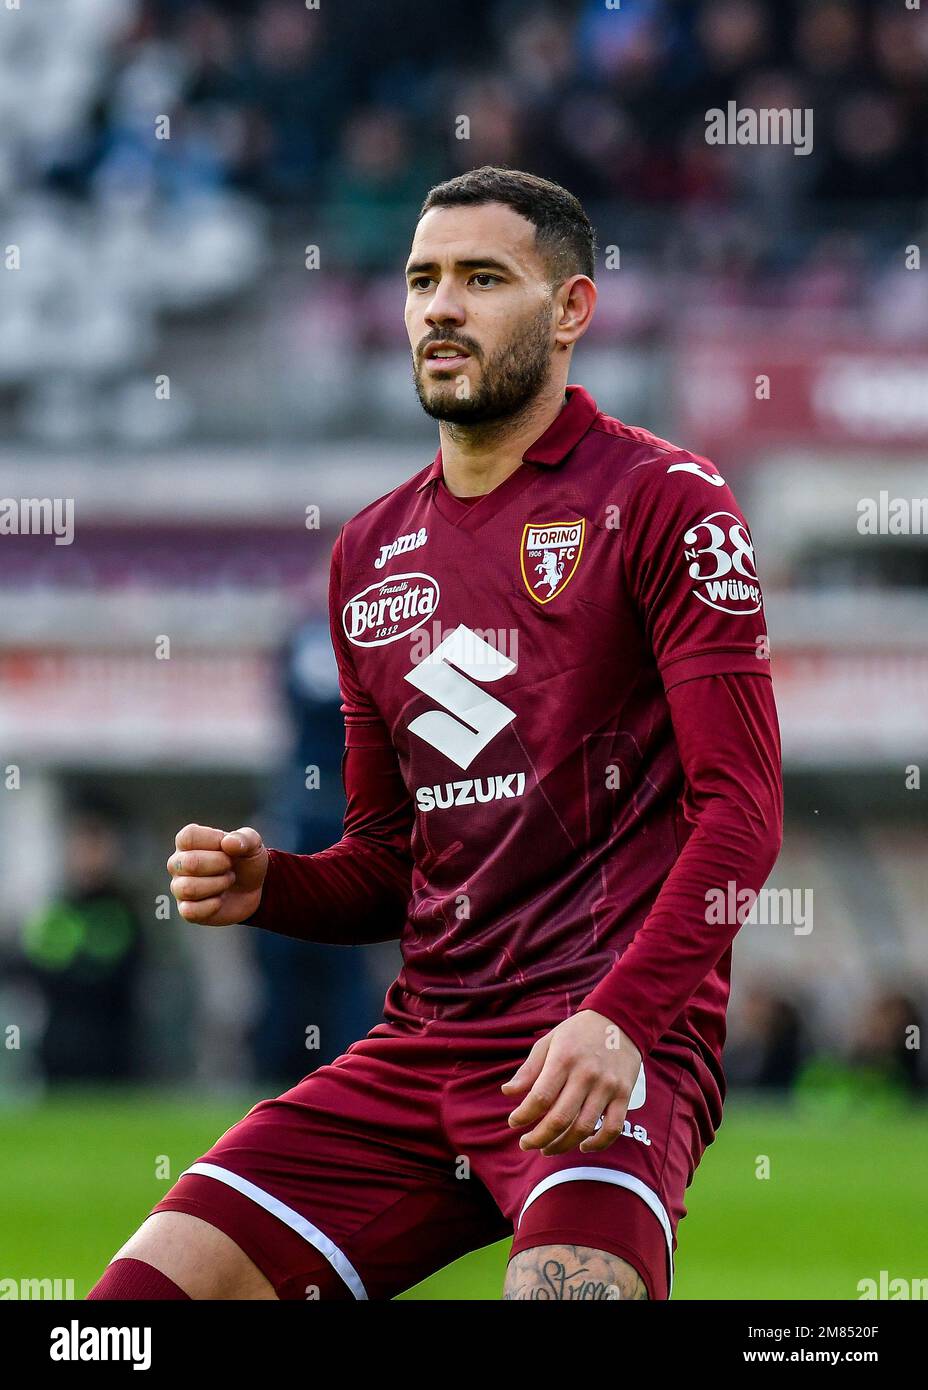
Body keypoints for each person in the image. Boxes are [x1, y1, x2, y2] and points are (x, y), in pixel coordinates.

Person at [88, 166, 782, 1302]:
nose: (439, 307)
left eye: (481, 278)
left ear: (570, 311)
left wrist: (620, 1021)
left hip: (605, 1045)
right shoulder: (366, 553)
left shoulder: (667, 501)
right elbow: (386, 870)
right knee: (132, 1313)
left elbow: (742, 813)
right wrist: (275, 886)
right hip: (423, 1051)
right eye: (421, 280)